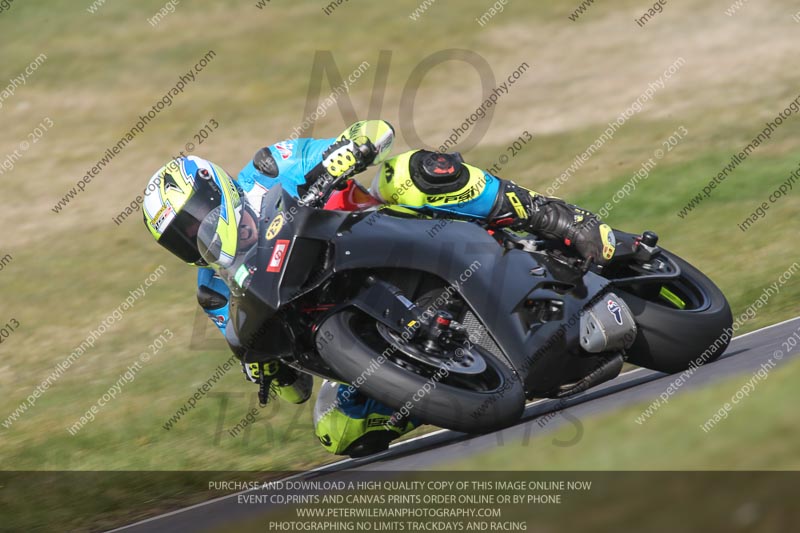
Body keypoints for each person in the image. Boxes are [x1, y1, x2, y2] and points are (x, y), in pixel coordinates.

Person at [142, 119, 615, 457]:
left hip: (396, 235)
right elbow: (295, 390)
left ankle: (548, 214)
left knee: (406, 174)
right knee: (338, 432)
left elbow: (375, 132)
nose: (194, 235)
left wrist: (349, 150)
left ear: (214, 190)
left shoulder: (269, 169)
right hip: (351, 317)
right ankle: (446, 388)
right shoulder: (216, 292)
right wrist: (268, 369)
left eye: (192, 221)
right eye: (180, 238)